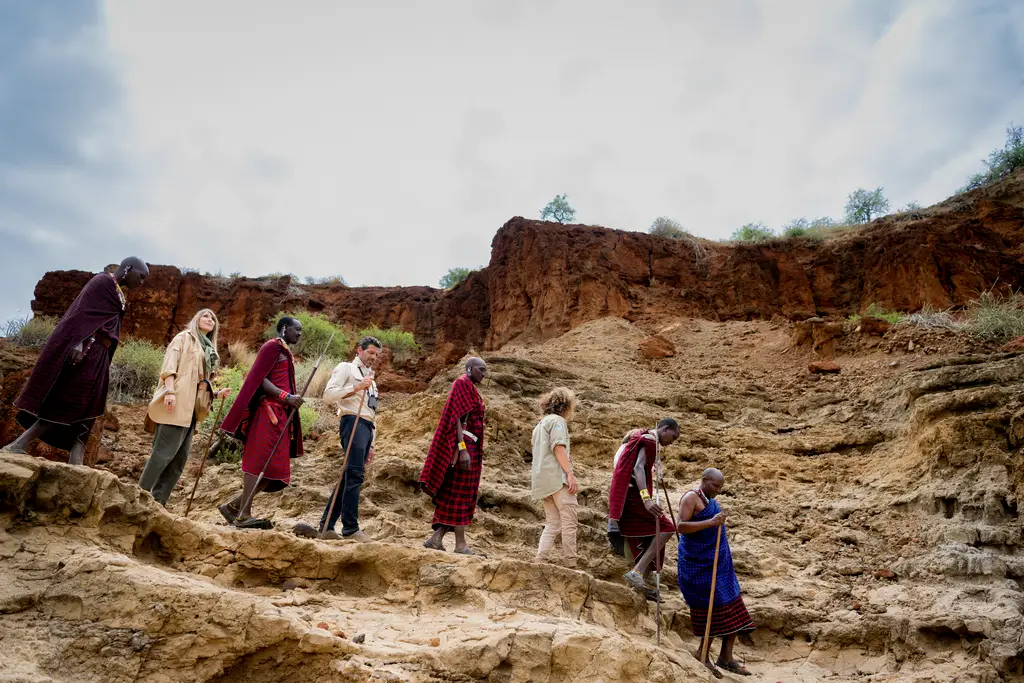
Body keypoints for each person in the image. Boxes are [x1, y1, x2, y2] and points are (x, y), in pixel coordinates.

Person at [4, 257, 149, 465]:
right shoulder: (102, 282)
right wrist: (80, 341)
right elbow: (83, 313)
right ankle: (18, 444)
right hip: (87, 350)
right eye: (141, 276)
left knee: (89, 407)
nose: (142, 282)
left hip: (101, 355)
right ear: (128, 268)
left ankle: (76, 459)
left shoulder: (118, 291)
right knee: (68, 399)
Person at [216, 317, 305, 527]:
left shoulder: (285, 351)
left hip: (282, 416)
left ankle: (233, 507)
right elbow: (259, 378)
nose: (299, 334)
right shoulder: (272, 347)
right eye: (296, 329)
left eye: (301, 331)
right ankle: (243, 515)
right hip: (268, 414)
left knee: (275, 470)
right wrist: (286, 397)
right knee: (258, 462)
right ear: (284, 328)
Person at [138, 309, 231, 506]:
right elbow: (169, 367)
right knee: (162, 454)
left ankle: (158, 502)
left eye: (213, 318)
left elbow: (199, 383)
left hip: (191, 412)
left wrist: (215, 394)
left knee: (178, 461)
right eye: (205, 316)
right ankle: (138, 497)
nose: (210, 320)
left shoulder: (207, 349)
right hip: (176, 404)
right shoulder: (183, 338)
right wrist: (170, 392)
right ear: (196, 319)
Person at [677, 468, 754, 678]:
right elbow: (681, 526)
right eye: (715, 486)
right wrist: (711, 522)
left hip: (719, 566)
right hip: (698, 565)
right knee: (709, 608)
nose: (718, 491)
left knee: (733, 605)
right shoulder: (691, 498)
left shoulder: (710, 501)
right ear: (704, 480)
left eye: (721, 487)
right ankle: (702, 655)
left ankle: (726, 658)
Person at [312, 336, 382, 541]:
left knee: (348, 476)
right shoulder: (346, 368)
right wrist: (356, 388)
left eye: (376, 355)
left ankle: (326, 526)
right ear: (359, 350)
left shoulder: (371, 379)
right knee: (355, 474)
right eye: (370, 352)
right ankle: (350, 528)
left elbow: (372, 411)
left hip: (366, 427)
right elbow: (328, 395)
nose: (373, 357)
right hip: (352, 421)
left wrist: (372, 444)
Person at [418, 357, 488, 555]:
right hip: (464, 448)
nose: (484, 374)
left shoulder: (470, 388)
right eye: (480, 369)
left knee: (456, 494)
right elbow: (455, 417)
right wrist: (463, 448)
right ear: (469, 368)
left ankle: (436, 539)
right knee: (460, 494)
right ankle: (460, 544)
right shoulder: (461, 384)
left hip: (471, 447)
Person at [608, 417, 680, 598]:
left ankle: (640, 585)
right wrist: (646, 499)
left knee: (649, 536)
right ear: (665, 428)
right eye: (673, 437)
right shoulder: (650, 441)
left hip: (628, 497)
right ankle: (637, 572)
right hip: (635, 499)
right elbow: (639, 468)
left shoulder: (644, 439)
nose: (672, 442)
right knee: (667, 527)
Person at [530, 387, 579, 568]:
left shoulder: (539, 425)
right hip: (558, 479)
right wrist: (570, 474)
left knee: (552, 523)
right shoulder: (558, 422)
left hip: (542, 481)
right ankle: (571, 563)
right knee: (569, 522)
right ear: (566, 406)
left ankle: (540, 559)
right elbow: (558, 447)